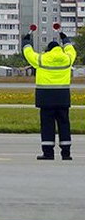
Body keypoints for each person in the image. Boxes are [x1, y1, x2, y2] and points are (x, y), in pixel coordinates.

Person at [22, 29, 75, 160]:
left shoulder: (41, 59)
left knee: (47, 125)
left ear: (48, 50)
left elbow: (28, 53)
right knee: (64, 124)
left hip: (46, 99)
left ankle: (48, 153)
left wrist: (26, 40)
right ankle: (66, 154)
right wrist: (64, 37)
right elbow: (71, 49)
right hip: (63, 98)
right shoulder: (67, 58)